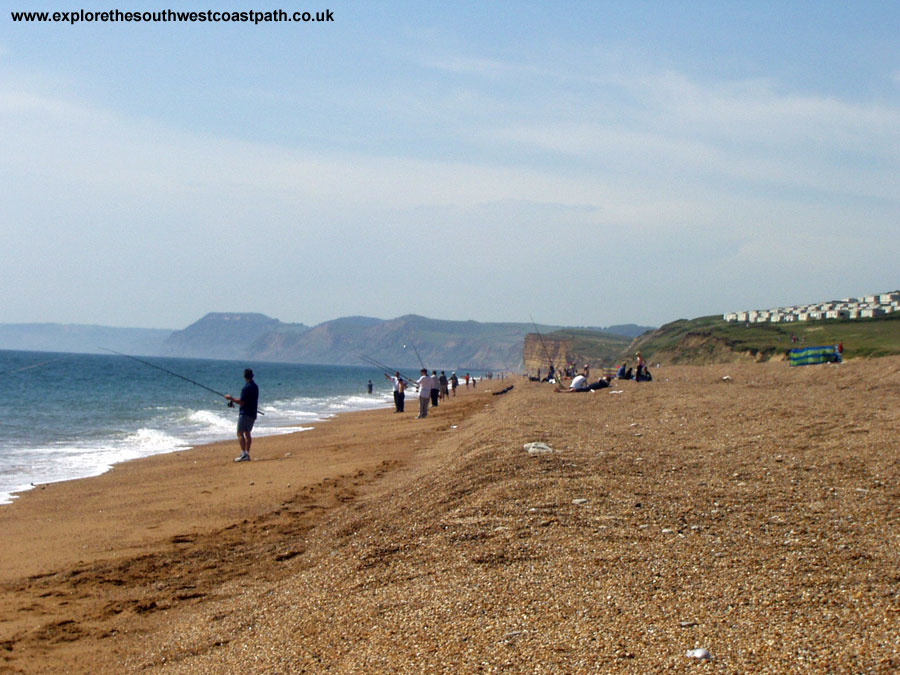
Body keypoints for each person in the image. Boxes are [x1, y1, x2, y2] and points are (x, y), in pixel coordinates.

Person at [225, 368, 259, 462]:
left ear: (244, 377)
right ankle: (246, 453)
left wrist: (230, 398)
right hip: (252, 413)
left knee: (240, 433)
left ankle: (244, 453)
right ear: (252, 376)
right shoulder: (255, 386)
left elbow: (242, 402)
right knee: (247, 433)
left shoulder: (246, 388)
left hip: (245, 413)